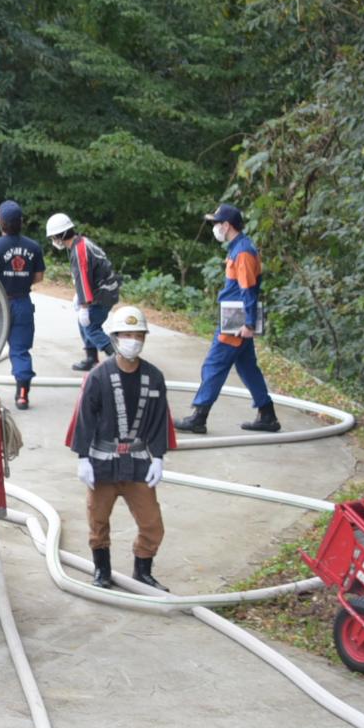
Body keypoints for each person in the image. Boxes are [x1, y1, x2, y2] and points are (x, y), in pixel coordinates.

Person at [67, 304, 174, 590]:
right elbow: (85, 418)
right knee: (98, 520)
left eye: (138, 334)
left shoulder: (154, 377)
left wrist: (158, 457)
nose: (133, 340)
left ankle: (143, 571)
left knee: (152, 523)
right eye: (126, 334)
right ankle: (102, 571)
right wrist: (83, 458)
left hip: (138, 462)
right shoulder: (99, 376)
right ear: (114, 337)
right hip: (103, 462)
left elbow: (161, 418)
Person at [178, 203, 278, 435]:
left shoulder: (242, 252)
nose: (214, 228)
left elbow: (248, 290)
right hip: (237, 317)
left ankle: (199, 416)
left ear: (227, 225)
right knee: (247, 368)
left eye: (216, 224)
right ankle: (267, 414)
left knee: (214, 365)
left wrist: (249, 323)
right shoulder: (238, 248)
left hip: (237, 319)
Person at [0, 200, 45, 409]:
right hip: (23, 304)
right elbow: (39, 277)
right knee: (20, 350)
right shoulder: (33, 247)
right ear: (21, 222)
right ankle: (22, 395)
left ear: (1, 222)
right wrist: (20, 279)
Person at [45, 212, 122, 371]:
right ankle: (91, 358)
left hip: (103, 294)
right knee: (83, 323)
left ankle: (119, 359)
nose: (53, 241)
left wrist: (84, 306)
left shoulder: (79, 250)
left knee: (91, 327)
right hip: (104, 290)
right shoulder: (81, 243)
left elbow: (83, 278)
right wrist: (79, 298)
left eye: (54, 237)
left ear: (61, 235)